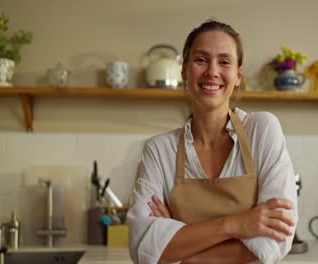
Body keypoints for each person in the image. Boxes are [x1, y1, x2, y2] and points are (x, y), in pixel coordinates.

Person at [127, 19, 298, 264]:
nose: (212, 71)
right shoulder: (160, 150)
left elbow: (276, 238)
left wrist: (181, 250)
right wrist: (236, 224)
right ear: (184, 70)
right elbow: (141, 245)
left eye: (224, 62)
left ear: (238, 75)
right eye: (201, 59)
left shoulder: (262, 130)